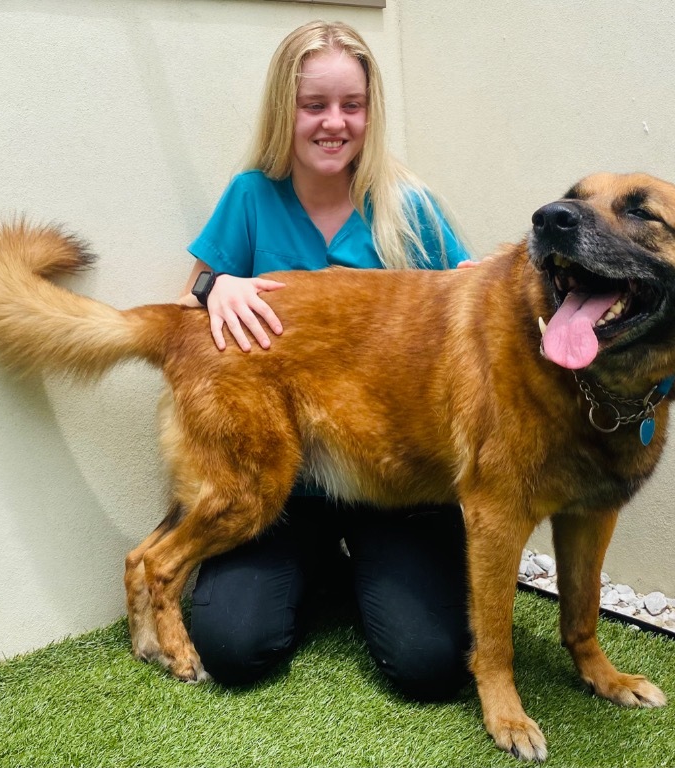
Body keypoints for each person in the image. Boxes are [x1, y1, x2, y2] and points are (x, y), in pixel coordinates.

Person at [179, 20, 474, 701]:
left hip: (396, 486)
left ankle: (374, 570)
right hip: (287, 488)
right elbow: (191, 315)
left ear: (372, 113)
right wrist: (213, 285)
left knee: (431, 667)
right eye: (315, 105)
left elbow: (475, 315)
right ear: (286, 110)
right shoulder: (250, 197)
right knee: (233, 648)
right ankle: (320, 569)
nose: (334, 123)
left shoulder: (411, 209)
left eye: (352, 105)